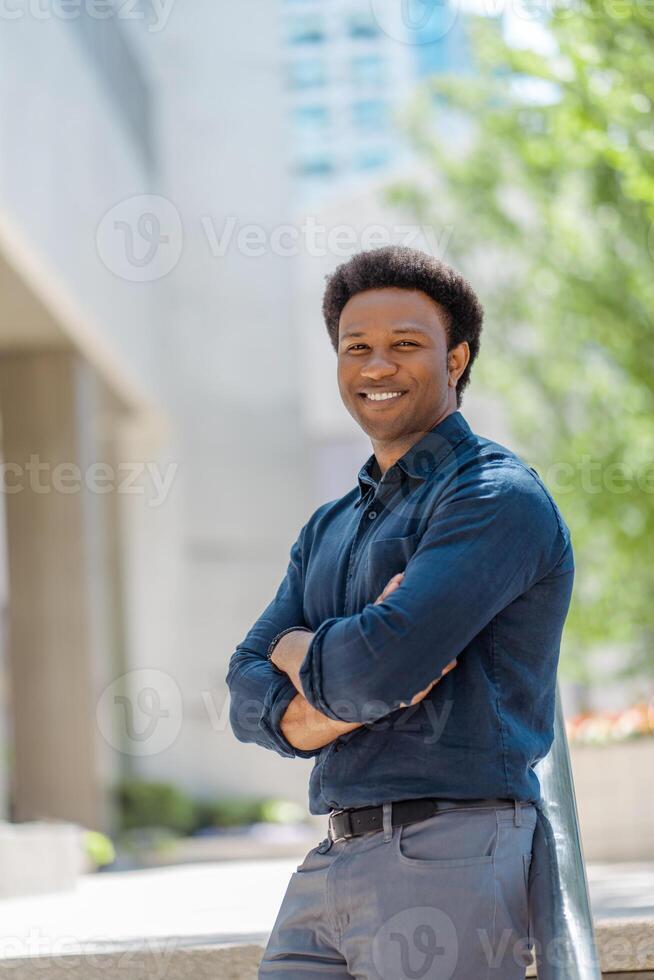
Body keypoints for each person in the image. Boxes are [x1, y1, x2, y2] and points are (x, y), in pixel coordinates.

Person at [226, 244, 575, 979]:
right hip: (333, 858)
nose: (377, 367)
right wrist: (325, 663)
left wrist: (313, 657)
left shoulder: (492, 499)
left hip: (450, 847)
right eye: (357, 348)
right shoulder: (329, 526)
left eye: (405, 345)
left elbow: (369, 669)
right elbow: (246, 687)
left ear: (456, 360)